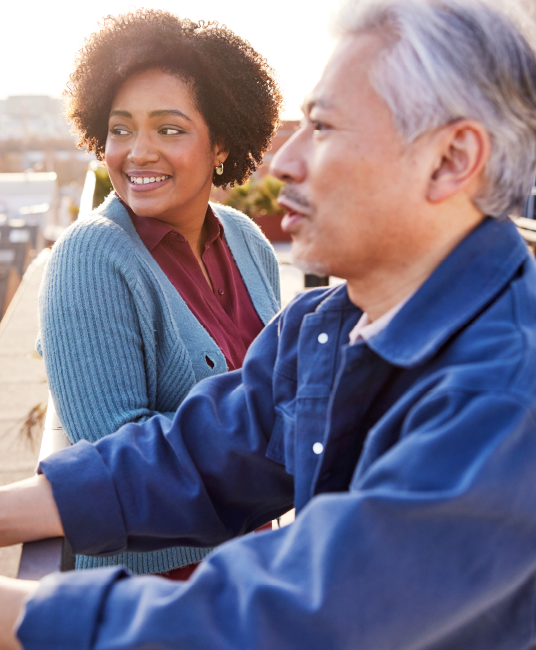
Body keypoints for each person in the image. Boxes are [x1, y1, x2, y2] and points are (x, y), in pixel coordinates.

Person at [2, 0, 536, 647]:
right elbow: (194, 454)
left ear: (451, 159)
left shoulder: (500, 396)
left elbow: (291, 620)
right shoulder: (332, 323)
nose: (282, 163)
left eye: (325, 126)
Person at [37, 10, 282, 576]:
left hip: (254, 575)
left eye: (168, 129)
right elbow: (118, 465)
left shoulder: (245, 239)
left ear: (220, 141)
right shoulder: (92, 255)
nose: (136, 152)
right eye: (120, 128)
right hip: (154, 599)